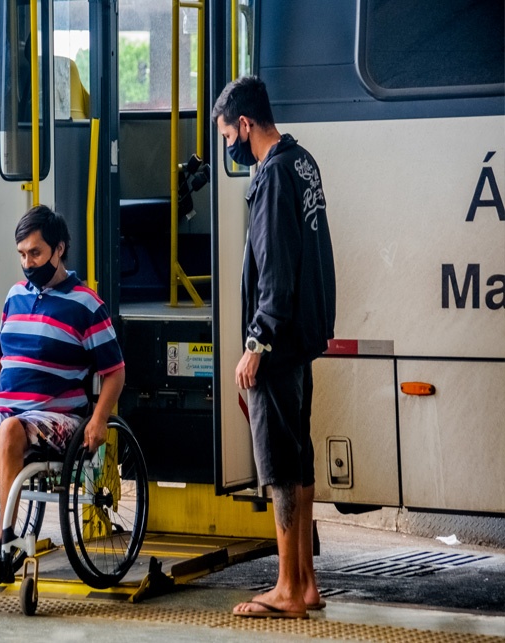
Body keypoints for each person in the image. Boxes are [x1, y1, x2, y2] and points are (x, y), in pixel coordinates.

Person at [0, 205, 126, 578]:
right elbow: (0, 359)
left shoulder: (87, 305)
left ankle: (6, 543)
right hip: (8, 413)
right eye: (22, 254)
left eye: (35, 253)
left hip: (57, 417)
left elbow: (115, 372)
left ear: (59, 249)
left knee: (9, 430)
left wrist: (99, 420)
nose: (28, 262)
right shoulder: (14, 296)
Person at [212, 76, 336, 619]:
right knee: (300, 455)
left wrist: (257, 341)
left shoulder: (274, 175)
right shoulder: (301, 161)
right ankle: (304, 582)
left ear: (244, 125)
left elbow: (276, 266)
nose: (227, 147)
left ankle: (287, 589)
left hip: (278, 341)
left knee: (280, 465)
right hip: (302, 336)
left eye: (226, 135)